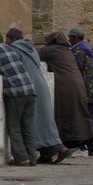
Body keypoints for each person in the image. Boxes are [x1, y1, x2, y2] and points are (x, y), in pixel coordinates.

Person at [7, 29, 71, 164]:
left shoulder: (14, 50)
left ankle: (59, 147)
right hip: (41, 84)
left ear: (11, 39)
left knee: (33, 122)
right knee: (46, 119)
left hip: (28, 85)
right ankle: (47, 153)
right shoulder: (33, 50)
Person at [0, 27, 37, 166]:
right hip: (30, 89)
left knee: (14, 127)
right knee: (28, 126)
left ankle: (22, 158)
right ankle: (32, 157)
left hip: (15, 92)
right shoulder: (11, 49)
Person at [38, 31, 93, 154]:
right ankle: (89, 141)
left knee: (66, 115)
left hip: (66, 85)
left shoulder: (52, 50)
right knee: (81, 113)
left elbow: (36, 53)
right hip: (78, 84)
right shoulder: (67, 50)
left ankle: (69, 142)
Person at [68, 27, 93, 152]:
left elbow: (77, 67)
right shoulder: (87, 48)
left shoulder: (78, 50)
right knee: (90, 112)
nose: (69, 39)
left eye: (71, 37)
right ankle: (90, 141)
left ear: (76, 38)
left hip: (85, 87)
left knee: (85, 114)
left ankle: (89, 141)